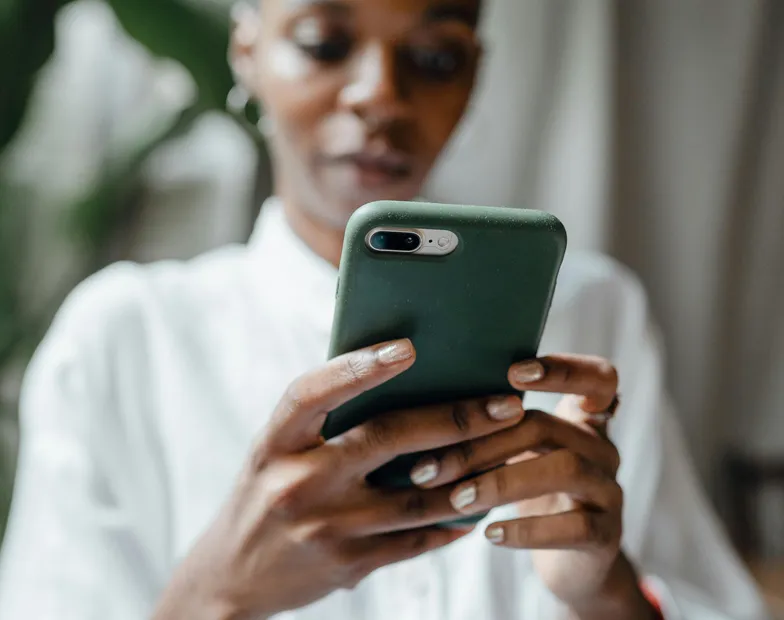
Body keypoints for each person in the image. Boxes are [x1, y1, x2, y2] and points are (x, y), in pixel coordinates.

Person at [0, 0, 769, 618]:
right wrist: (221, 595)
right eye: (325, 42)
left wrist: (604, 592)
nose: (380, 93)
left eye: (435, 56)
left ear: (475, 73)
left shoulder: (592, 314)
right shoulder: (123, 339)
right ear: (246, 51)